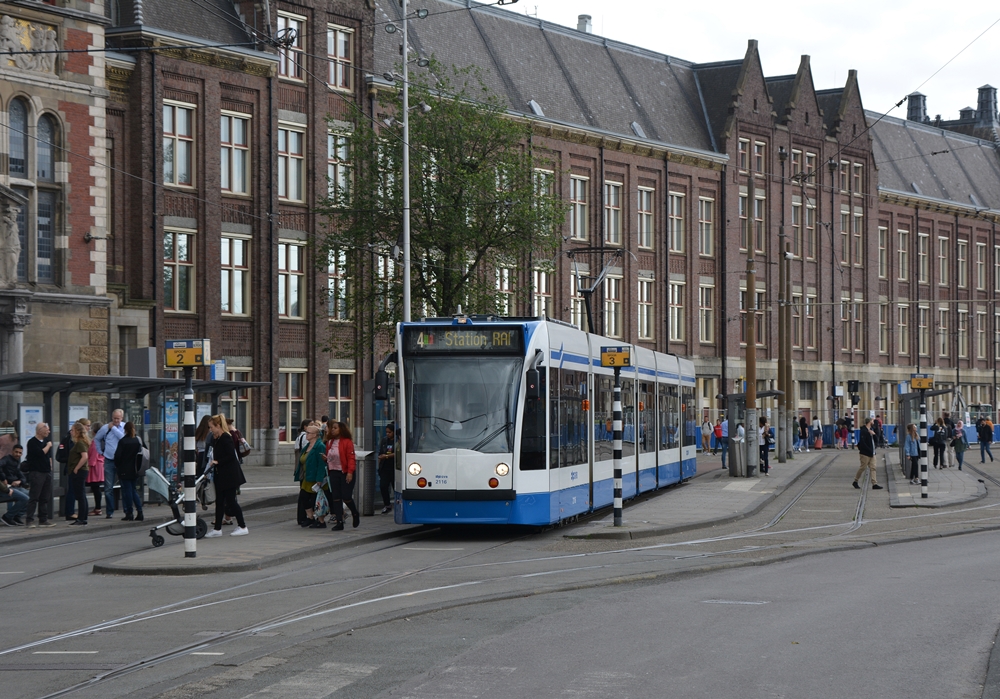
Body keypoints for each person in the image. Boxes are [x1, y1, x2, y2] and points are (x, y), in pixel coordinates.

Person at [204, 414, 248, 537]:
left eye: (211, 427)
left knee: (231, 502)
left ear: (218, 426)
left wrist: (217, 461)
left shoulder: (226, 438)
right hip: (221, 475)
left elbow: (231, 456)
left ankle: (243, 526)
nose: (210, 429)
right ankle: (217, 529)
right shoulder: (217, 438)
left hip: (230, 476)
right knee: (220, 502)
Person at [326, 420, 359, 530]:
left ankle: (354, 513)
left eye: (335, 428)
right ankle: (339, 522)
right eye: (332, 428)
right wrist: (326, 459)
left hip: (345, 472)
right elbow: (329, 456)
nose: (333, 430)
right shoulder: (330, 442)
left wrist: (350, 472)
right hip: (334, 471)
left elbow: (351, 458)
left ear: (341, 429)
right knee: (336, 497)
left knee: (346, 496)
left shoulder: (347, 442)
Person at [93, 409, 125, 519]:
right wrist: (100, 452)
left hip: (121, 461)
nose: (116, 420)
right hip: (109, 460)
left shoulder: (124, 427)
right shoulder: (105, 428)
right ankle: (109, 511)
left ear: (122, 418)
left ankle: (126, 510)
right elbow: (97, 439)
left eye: (118, 418)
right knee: (108, 487)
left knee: (124, 485)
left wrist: (114, 429)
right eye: (114, 418)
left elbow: (123, 438)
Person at [24, 422, 56, 527]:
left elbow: (49, 456)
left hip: (46, 472)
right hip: (37, 472)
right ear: (40, 430)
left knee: (44, 497)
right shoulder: (32, 442)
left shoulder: (47, 441)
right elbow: (40, 453)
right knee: (34, 497)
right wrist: (48, 445)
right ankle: (29, 520)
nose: (49, 432)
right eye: (47, 429)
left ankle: (43, 519)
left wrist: (50, 468)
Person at [300, 421, 329, 528]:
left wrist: (319, 478)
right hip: (307, 477)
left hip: (315, 478)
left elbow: (322, 464)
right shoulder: (307, 445)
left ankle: (320, 521)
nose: (306, 434)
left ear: (315, 435)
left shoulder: (320, 446)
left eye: (308, 432)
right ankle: (310, 517)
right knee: (304, 497)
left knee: (316, 500)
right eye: (306, 432)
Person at [114, 422, 144, 521]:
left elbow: (117, 456)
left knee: (127, 492)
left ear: (125, 429)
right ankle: (140, 511)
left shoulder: (123, 441)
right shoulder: (137, 440)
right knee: (133, 490)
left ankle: (129, 512)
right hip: (135, 469)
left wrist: (118, 466)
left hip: (124, 469)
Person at [66, 422, 90, 525]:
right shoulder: (79, 442)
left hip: (80, 471)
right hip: (79, 470)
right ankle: (83, 517)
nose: (71, 432)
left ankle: (81, 518)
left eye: (73, 430)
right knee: (81, 494)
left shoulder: (80, 443)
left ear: (77, 431)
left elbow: (85, 456)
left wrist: (76, 468)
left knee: (80, 495)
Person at [0, 444, 28, 525]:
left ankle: (17, 516)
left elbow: (23, 477)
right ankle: (7, 517)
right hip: (6, 488)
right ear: (12, 451)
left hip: (14, 487)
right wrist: (3, 478)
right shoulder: (6, 459)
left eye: (20, 453)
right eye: (16, 452)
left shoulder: (16, 463)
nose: (18, 454)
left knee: (31, 496)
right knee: (25, 498)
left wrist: (19, 482)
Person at [852, 417, 882, 490]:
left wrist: (874, 434)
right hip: (865, 453)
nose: (873, 422)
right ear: (869, 422)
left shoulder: (871, 430)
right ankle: (855, 481)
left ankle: (874, 483)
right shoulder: (864, 431)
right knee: (863, 467)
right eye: (872, 421)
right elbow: (863, 443)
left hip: (872, 453)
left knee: (873, 468)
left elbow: (877, 440)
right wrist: (869, 450)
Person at [85, 422, 105, 516]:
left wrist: (88, 466)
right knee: (96, 488)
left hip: (95, 467)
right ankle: (98, 508)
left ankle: (97, 508)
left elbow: (93, 456)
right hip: (100, 465)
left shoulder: (95, 441)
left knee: (95, 488)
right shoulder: (104, 440)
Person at [377, 423, 397, 514]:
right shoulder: (385, 440)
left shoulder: (397, 441)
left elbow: (398, 453)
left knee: (395, 487)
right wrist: (380, 460)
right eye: (387, 432)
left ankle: (398, 504)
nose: (388, 434)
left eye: (390, 432)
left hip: (394, 468)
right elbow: (381, 451)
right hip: (385, 468)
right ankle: (387, 505)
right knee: (383, 486)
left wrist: (387, 456)